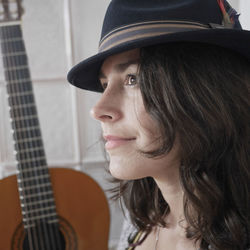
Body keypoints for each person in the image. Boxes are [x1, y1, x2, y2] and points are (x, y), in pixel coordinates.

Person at [67, 0, 250, 249]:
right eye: (104, 85)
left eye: (133, 79)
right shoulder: (140, 222)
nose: (98, 110)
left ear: (205, 94)